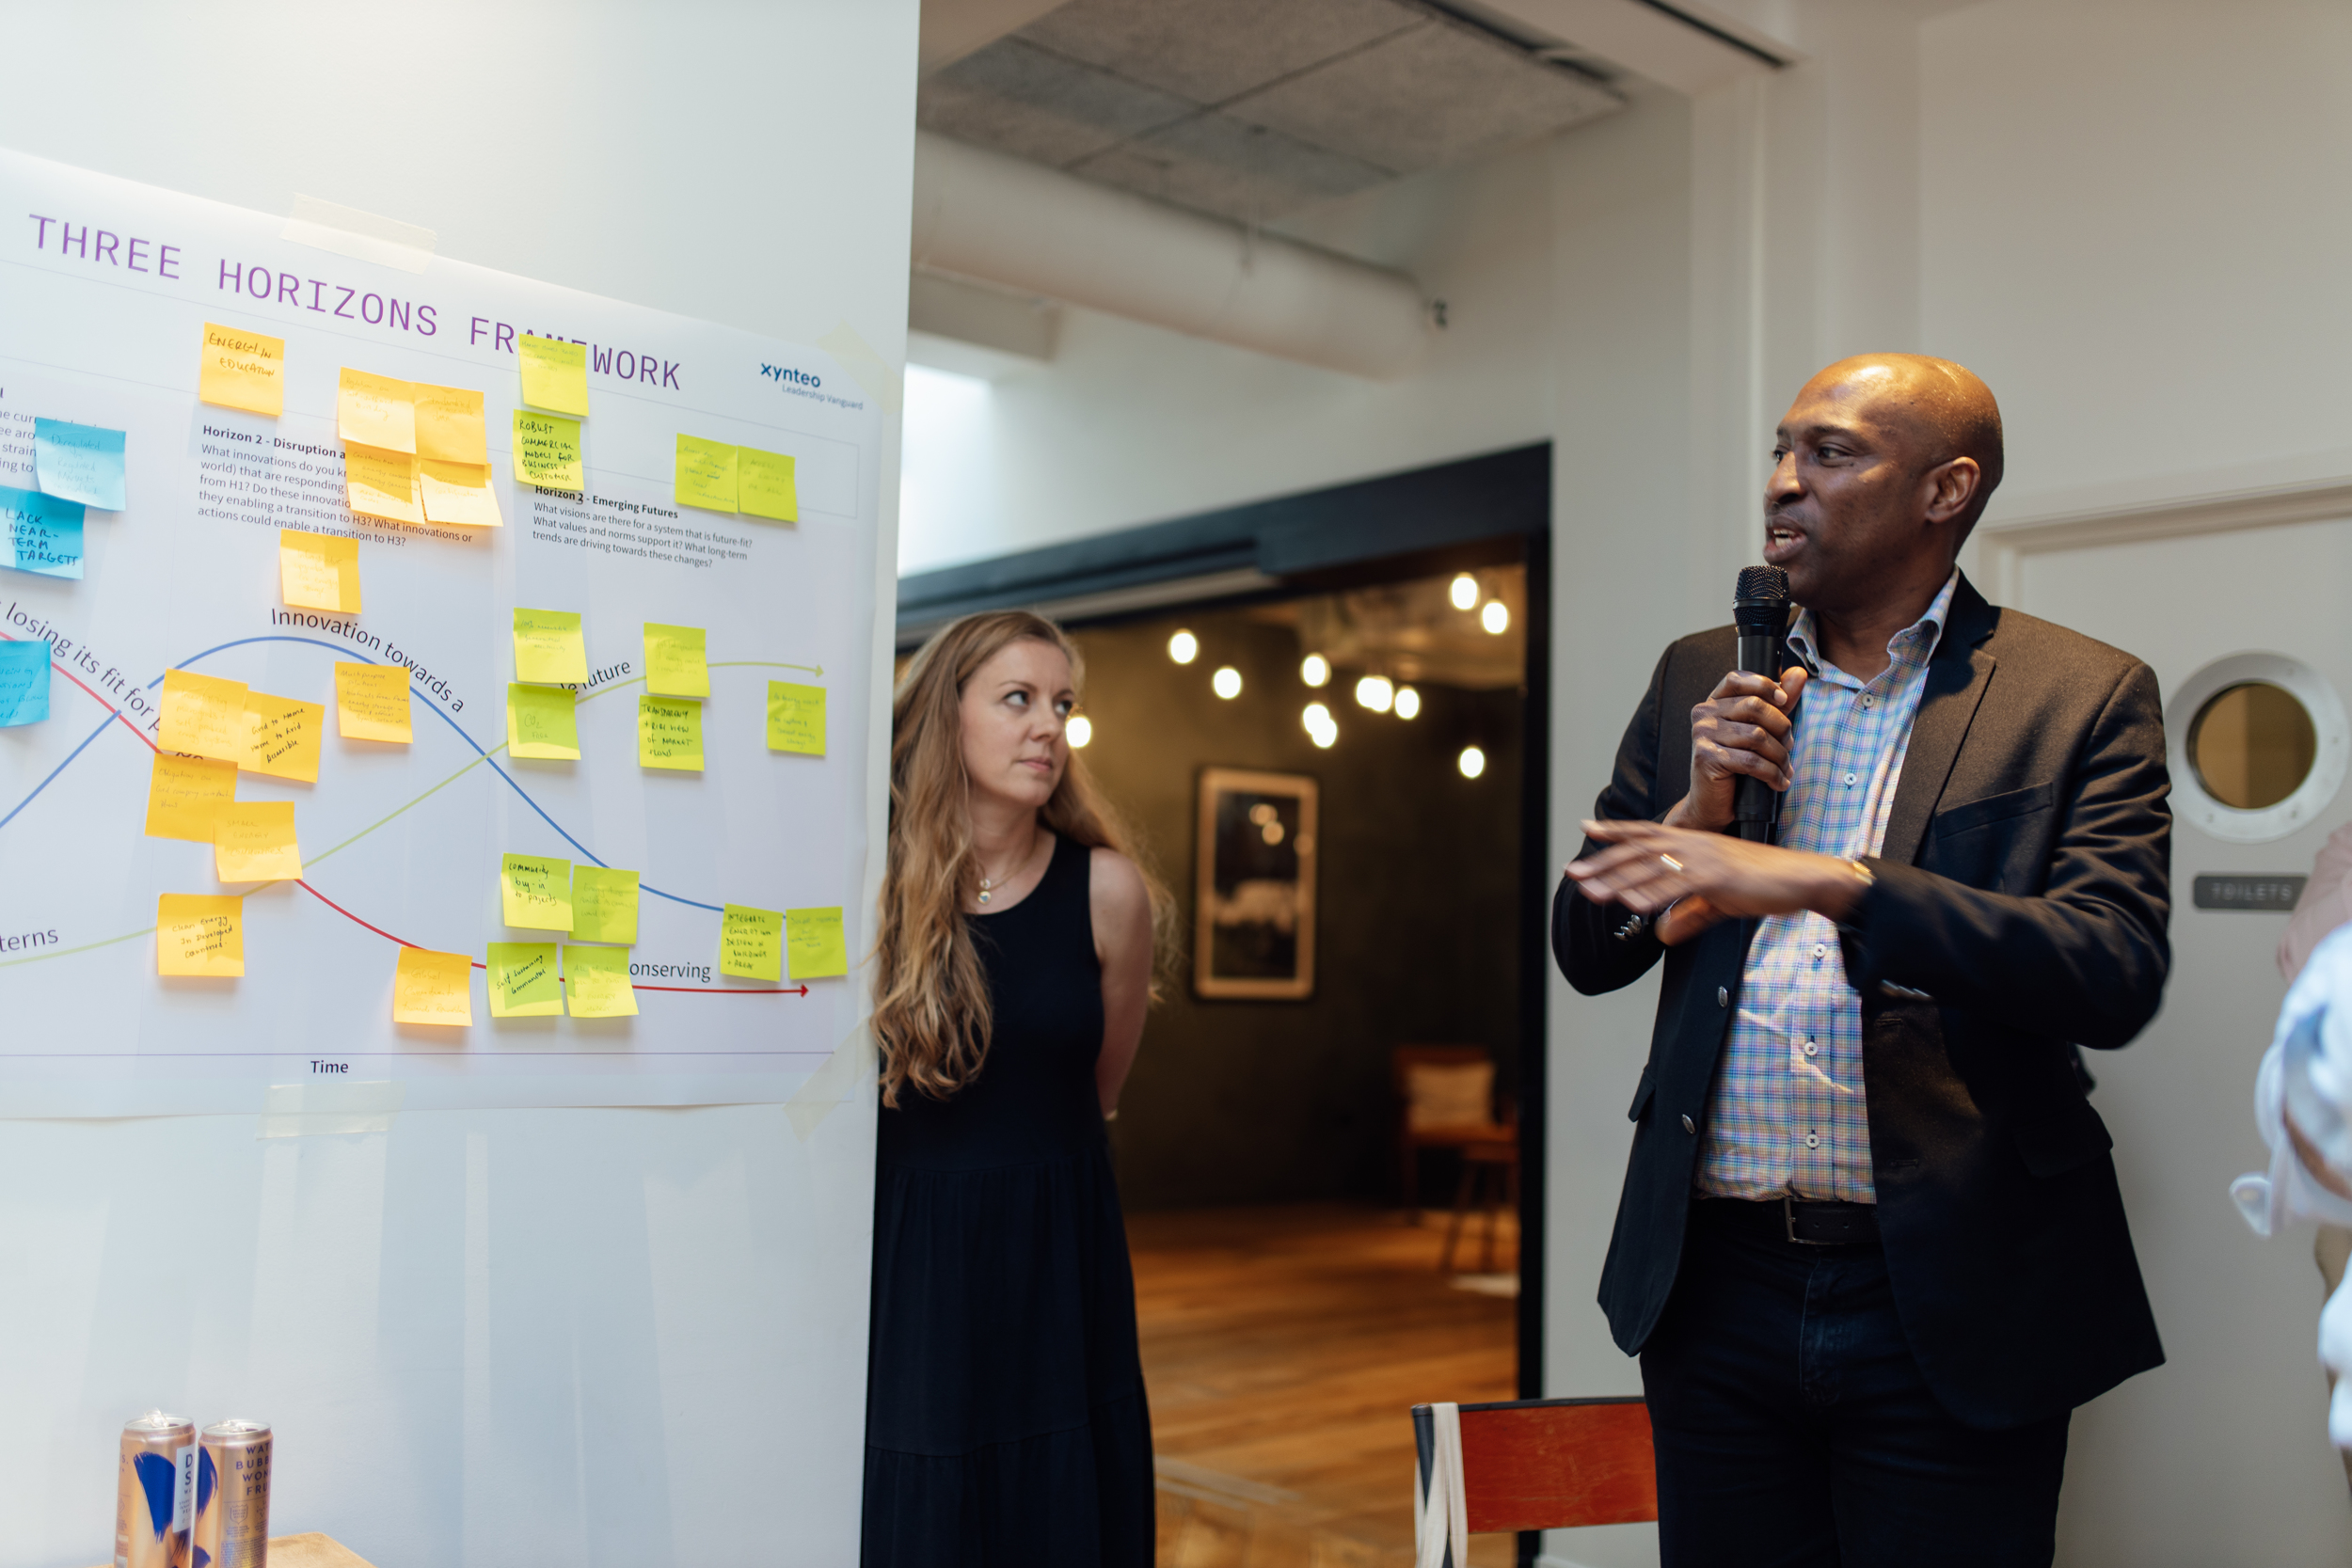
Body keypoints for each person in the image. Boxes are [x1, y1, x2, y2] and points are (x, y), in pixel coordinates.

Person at [1555, 354, 2171, 1564]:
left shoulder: (2078, 692)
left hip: (1948, 1283)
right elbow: (1588, 945)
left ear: (1946, 488)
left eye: (1829, 454)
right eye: (1780, 452)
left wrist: (1840, 882)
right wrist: (1697, 809)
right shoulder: (1703, 668)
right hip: (1714, 1282)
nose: (1783, 484)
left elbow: (2108, 968)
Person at [860, 610, 1168, 1566]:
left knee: (1057, 1509)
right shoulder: (866, 882)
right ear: (944, 714)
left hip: (1057, 1247)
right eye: (1018, 698)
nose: (1049, 726)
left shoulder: (1109, 890)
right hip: (907, 1254)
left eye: (1062, 704)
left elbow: (1099, 1084)